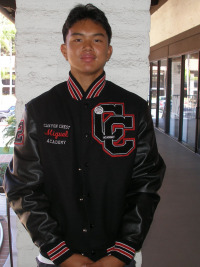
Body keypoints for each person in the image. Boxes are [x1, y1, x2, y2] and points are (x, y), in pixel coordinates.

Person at [3, 4, 166, 267]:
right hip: (55, 258)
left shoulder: (134, 109)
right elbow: (22, 186)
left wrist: (122, 252)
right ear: (64, 49)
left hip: (116, 256)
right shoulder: (40, 110)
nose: (87, 47)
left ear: (109, 50)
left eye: (97, 40)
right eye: (77, 39)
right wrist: (60, 252)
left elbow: (146, 183)